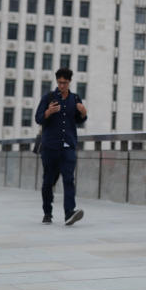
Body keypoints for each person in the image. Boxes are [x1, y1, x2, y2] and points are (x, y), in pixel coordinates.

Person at [35, 68, 87, 225]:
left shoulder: (75, 98)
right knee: (48, 181)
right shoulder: (49, 97)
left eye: (64, 83)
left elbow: (79, 120)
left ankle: (69, 212)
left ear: (69, 82)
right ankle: (47, 212)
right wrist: (48, 112)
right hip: (50, 146)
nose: (61, 85)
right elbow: (38, 118)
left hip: (68, 146)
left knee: (69, 179)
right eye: (59, 83)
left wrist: (84, 113)